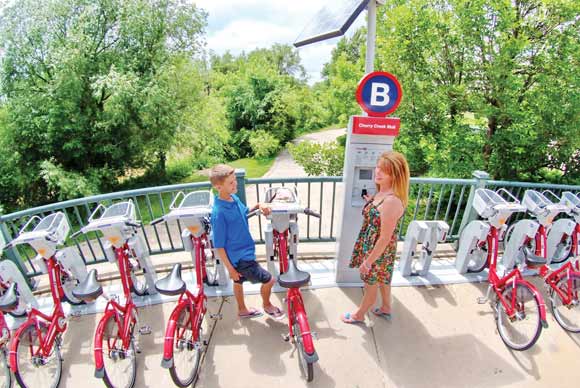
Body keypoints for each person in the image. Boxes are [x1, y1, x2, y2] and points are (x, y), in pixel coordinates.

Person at [342, 151, 410, 324]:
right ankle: (386, 307)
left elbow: (385, 238)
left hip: (378, 251)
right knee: (382, 279)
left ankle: (359, 315)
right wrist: (370, 201)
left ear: (394, 175)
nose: (377, 172)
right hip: (374, 247)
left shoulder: (391, 201)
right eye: (378, 167)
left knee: (370, 285)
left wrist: (368, 262)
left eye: (384, 171)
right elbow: (378, 213)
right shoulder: (382, 194)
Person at [209, 164, 284, 319]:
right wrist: (230, 269)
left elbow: (244, 211)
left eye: (235, 180)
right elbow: (219, 246)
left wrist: (259, 205)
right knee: (270, 280)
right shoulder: (219, 213)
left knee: (238, 282)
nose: (235, 184)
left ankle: (242, 309)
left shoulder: (233, 198)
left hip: (242, 254)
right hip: (241, 259)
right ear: (218, 186)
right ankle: (267, 305)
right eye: (230, 183)